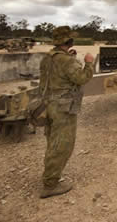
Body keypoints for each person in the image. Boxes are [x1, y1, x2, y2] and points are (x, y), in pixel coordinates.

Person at [38, 26, 94, 199]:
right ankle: (50, 184)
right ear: (68, 41)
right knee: (62, 145)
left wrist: (72, 58)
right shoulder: (67, 61)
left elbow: (58, 75)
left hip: (48, 105)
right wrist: (89, 62)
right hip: (63, 108)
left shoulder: (49, 58)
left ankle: (51, 175)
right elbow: (82, 78)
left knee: (53, 142)